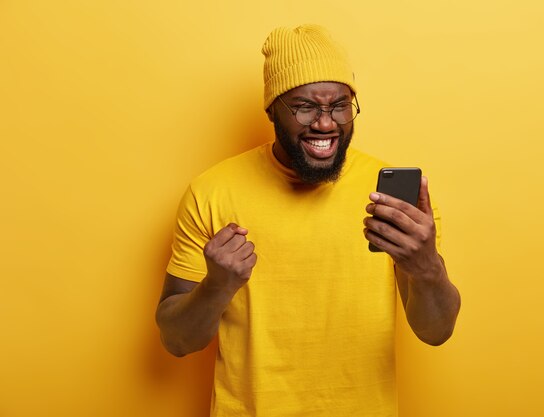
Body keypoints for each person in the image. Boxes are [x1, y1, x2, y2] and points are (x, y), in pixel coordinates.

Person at [156, 24, 461, 417]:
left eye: (339, 106)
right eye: (305, 107)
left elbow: (436, 332)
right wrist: (217, 285)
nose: (325, 124)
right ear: (271, 109)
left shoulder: (396, 202)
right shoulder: (212, 192)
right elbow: (176, 341)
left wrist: (426, 267)